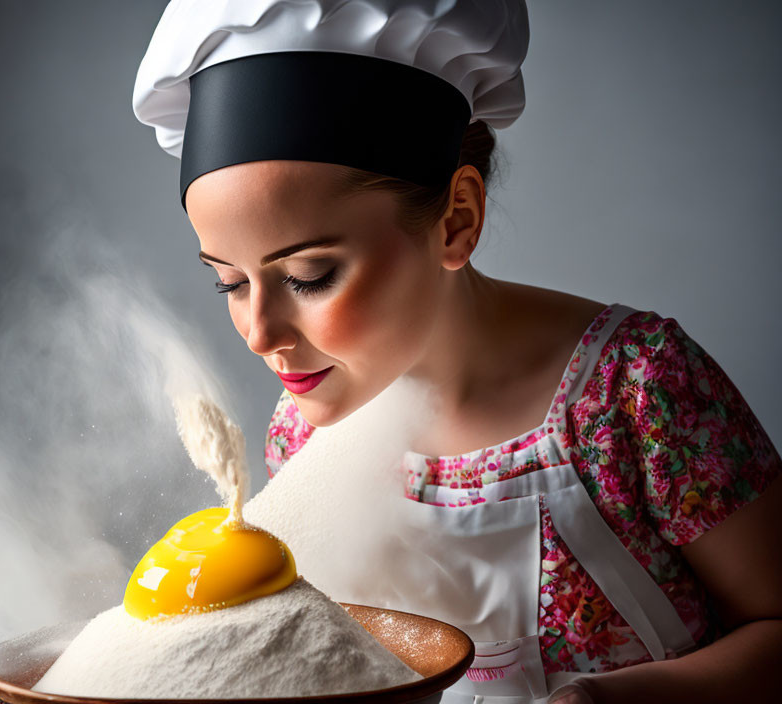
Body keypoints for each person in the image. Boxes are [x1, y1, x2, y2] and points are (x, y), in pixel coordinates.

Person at [133, 1, 782, 701]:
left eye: (309, 277)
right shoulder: (303, 435)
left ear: (456, 220)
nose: (260, 334)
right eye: (228, 282)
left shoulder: (637, 392)